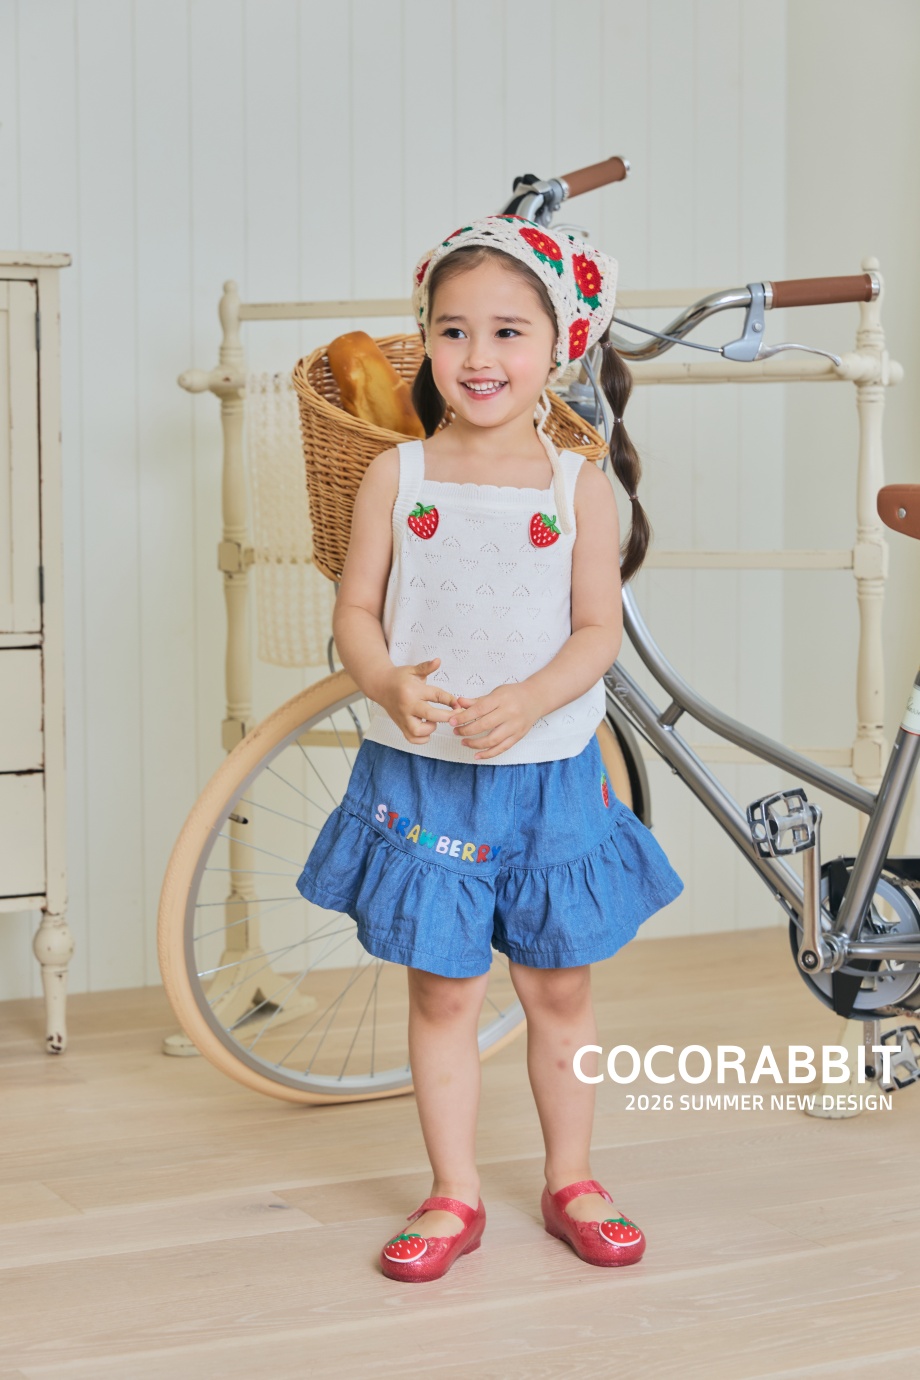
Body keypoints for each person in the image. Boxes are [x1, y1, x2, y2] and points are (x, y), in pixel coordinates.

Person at [296, 214, 684, 1282]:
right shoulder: (399, 474)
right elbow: (357, 611)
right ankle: (453, 1191)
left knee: (559, 991)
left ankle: (573, 1177)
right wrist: (384, 681)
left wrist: (529, 698)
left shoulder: (576, 486)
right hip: (430, 780)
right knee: (444, 994)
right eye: (453, 330)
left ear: (559, 346)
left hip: (548, 778)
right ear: (425, 339)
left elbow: (596, 632)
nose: (479, 356)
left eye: (509, 332)